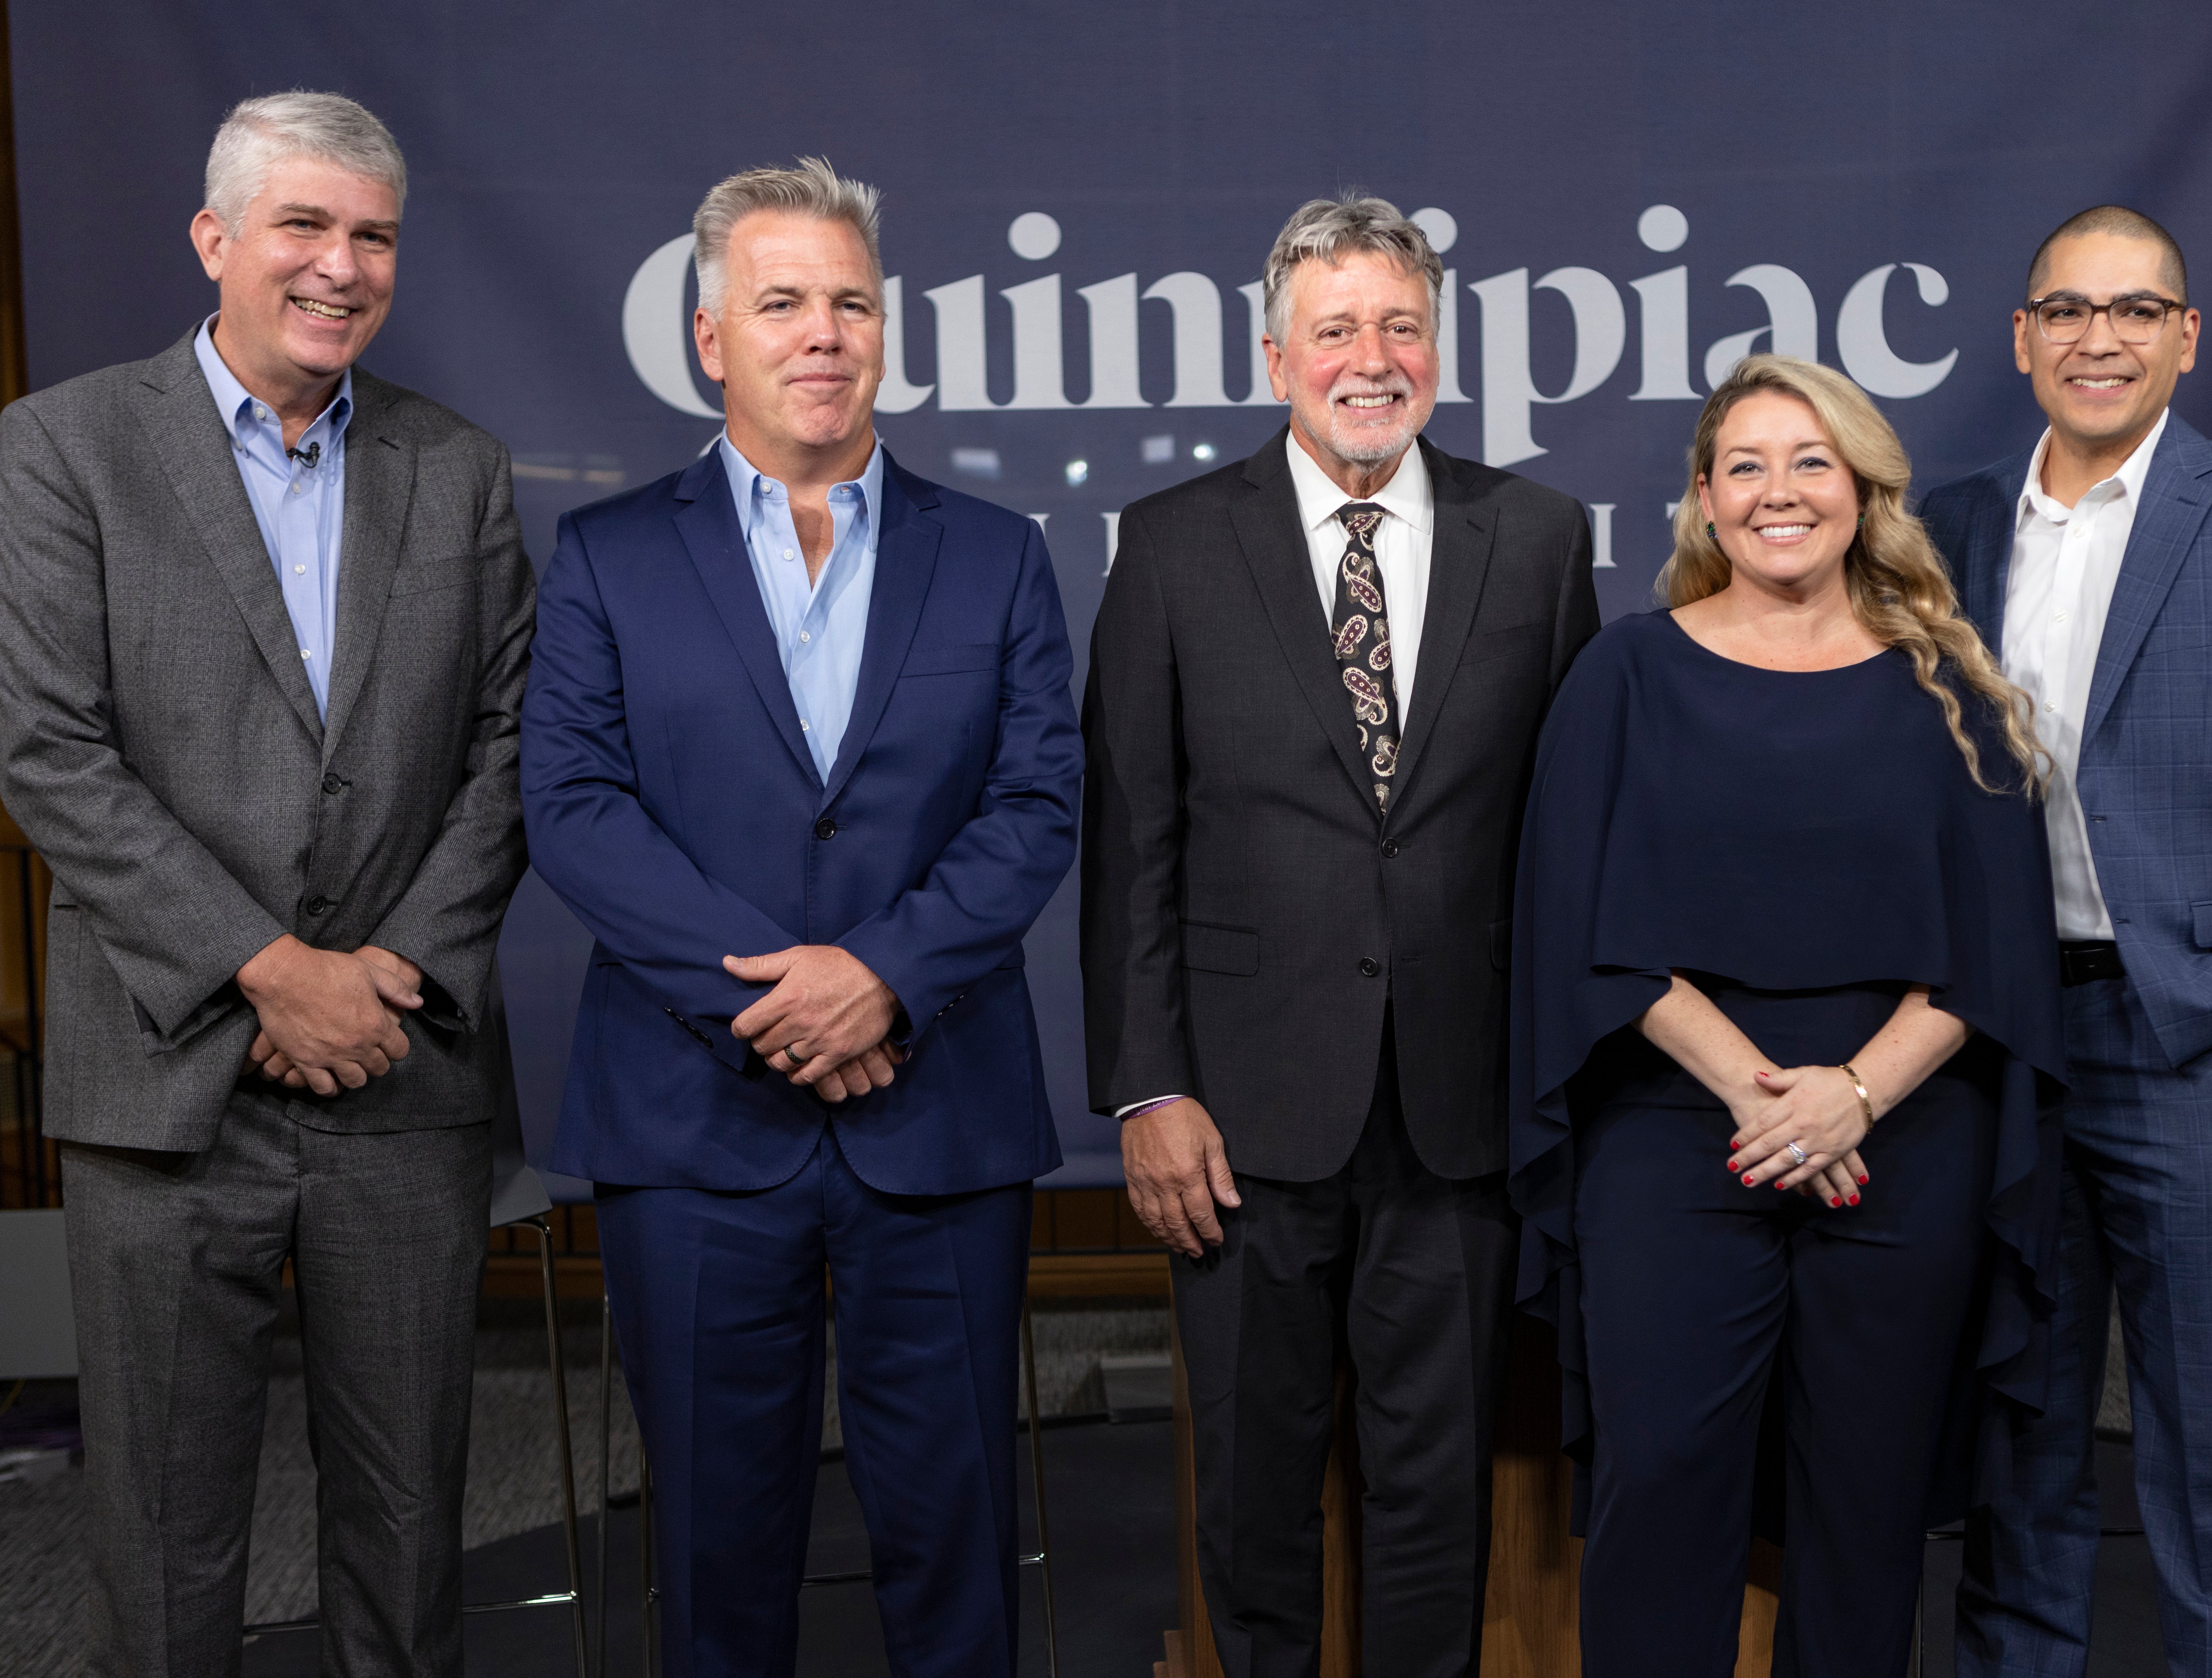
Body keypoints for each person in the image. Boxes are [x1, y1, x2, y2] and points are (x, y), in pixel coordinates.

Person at [521, 158, 1080, 1677]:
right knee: (712, 1553)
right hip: (692, 1125)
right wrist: (779, 999)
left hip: (940, 1113)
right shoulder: (607, 556)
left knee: (959, 1543)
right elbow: (570, 803)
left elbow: (1037, 806)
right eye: (783, 303)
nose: (822, 332)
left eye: (849, 301)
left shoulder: (999, 554)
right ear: (713, 337)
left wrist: (883, 979)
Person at [0, 92, 533, 1674]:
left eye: (373, 236)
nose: (341, 266)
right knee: (163, 1542)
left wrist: (386, 975)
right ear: (215, 240)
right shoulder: (60, 448)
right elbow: (46, 751)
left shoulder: (461, 467)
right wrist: (265, 966)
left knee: (410, 1530)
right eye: (305, 225)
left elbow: (511, 749)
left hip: (396, 1065)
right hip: (166, 1085)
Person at [1081, 191, 1600, 1675]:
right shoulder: (1173, 545)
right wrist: (1149, 1084)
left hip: (1462, 1106)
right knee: (1253, 1495)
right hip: (1237, 1114)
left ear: (1436, 345)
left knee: (1433, 1494)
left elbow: (1564, 839)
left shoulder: (1540, 540)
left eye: (1399, 326)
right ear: (1272, 355)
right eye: (1335, 330)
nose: (1370, 358)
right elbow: (1131, 836)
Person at [1508, 353, 2064, 1677]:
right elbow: (1573, 928)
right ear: (1704, 499)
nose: (1779, 493)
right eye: (1745, 466)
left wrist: (1852, 1095)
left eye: (1812, 462)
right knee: (1664, 1492)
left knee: (1864, 1517)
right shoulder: (1624, 677)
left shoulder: (1954, 686)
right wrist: (1763, 1090)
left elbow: (1998, 958)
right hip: (1675, 1139)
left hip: (1903, 1143)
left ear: (1866, 492)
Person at [1929, 206, 2212, 1678]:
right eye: (2069, 309)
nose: (2101, 338)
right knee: (2022, 1420)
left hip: (2191, 1044)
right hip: (1999, 1045)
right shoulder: (1951, 529)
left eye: (2136, 310)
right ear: (2023, 336)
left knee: (2211, 1430)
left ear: (2186, 336)